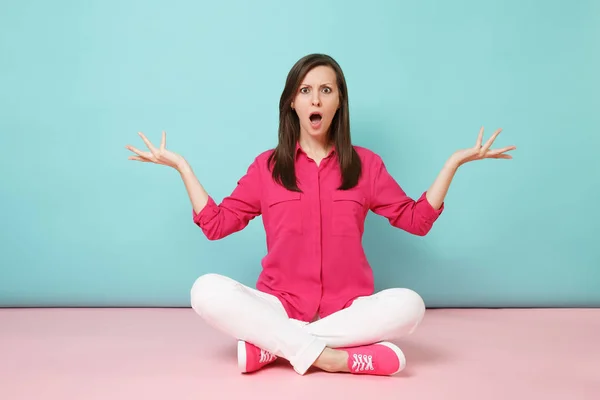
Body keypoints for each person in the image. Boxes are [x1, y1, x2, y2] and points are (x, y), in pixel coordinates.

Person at [125, 53, 516, 376]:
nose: (315, 100)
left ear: (339, 101)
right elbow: (216, 225)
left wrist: (453, 164)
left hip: (349, 310)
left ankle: (274, 348)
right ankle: (332, 357)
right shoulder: (267, 168)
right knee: (204, 290)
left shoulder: (366, 166)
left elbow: (415, 220)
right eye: (305, 91)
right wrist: (183, 168)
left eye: (325, 90)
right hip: (279, 305)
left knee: (410, 305)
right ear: (292, 103)